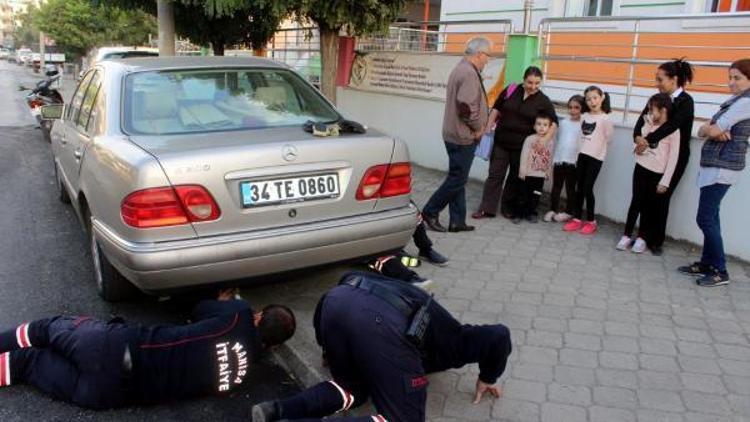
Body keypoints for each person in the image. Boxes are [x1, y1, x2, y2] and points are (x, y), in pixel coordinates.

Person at [251, 271, 512, 422]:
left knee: (350, 389)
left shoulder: (421, 307)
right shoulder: (457, 341)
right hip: (380, 325)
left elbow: (347, 279)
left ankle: (277, 409)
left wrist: (328, 349)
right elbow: (500, 335)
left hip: (335, 302)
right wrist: (489, 376)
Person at [0, 289, 295, 409]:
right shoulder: (239, 377)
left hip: (112, 347)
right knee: (28, 364)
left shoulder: (239, 315)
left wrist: (224, 301)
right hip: (104, 393)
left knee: (43, 330)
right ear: (274, 345)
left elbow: (200, 309)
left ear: (258, 317)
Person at [678, 59, 750, 287]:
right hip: (715, 164)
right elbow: (702, 129)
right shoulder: (735, 101)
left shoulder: (745, 102)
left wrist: (713, 130)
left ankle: (720, 270)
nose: (731, 82)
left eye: (737, 78)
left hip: (723, 166)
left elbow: (713, 128)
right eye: (730, 77)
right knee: (712, 216)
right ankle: (707, 263)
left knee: (705, 217)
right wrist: (713, 131)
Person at [422, 37, 492, 233]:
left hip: (455, 133)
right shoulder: (469, 73)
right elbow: (466, 108)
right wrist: (479, 128)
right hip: (463, 136)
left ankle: (457, 221)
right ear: (479, 54)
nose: (488, 60)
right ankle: (430, 211)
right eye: (487, 56)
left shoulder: (462, 68)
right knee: (457, 180)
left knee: (458, 178)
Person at [472, 66, 558, 221]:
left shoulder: (543, 100)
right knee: (495, 175)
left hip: (523, 147)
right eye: (530, 82)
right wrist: (487, 128)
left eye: (537, 83)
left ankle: (508, 208)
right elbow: (497, 109)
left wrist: (544, 140)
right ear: (523, 79)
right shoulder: (511, 89)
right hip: (501, 142)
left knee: (514, 177)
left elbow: (554, 123)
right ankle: (486, 209)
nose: (533, 86)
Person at [633, 59, 695, 254]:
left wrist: (647, 139)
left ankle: (656, 240)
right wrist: (637, 137)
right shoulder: (656, 99)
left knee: (662, 196)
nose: (656, 83)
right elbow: (642, 119)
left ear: (674, 79)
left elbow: (672, 126)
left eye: (660, 79)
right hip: (651, 156)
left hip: (674, 158)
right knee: (644, 197)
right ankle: (642, 236)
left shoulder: (686, 101)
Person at [618, 93, 681, 254]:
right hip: (641, 167)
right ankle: (626, 235)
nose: (650, 113)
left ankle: (641, 238)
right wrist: (647, 125)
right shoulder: (649, 125)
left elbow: (673, 159)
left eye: (652, 110)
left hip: (657, 174)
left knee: (648, 206)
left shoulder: (674, 131)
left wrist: (665, 181)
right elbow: (639, 146)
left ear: (663, 109)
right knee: (636, 202)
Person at [563, 86, 614, 235]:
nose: (592, 101)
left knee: (587, 188)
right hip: (582, 156)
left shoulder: (605, 118)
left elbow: (609, 138)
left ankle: (591, 221)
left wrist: (597, 147)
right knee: (579, 188)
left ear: (601, 97)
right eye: (589, 99)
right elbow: (580, 136)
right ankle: (577, 219)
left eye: (595, 98)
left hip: (596, 158)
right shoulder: (584, 116)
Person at [545, 95, 584, 222]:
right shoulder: (563, 123)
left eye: (577, 108)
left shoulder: (584, 125)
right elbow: (558, 140)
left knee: (570, 188)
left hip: (574, 162)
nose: (573, 110)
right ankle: (552, 209)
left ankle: (569, 211)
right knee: (556, 186)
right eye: (570, 107)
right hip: (560, 159)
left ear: (583, 108)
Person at [516, 112, 556, 223]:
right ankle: (519, 214)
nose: (542, 127)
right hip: (528, 174)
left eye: (545, 125)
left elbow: (550, 157)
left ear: (549, 127)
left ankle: (531, 213)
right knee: (523, 195)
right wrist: (522, 169)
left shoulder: (550, 142)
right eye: (539, 124)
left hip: (540, 175)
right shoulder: (530, 139)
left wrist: (548, 171)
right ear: (534, 126)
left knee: (536, 194)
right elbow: (524, 154)